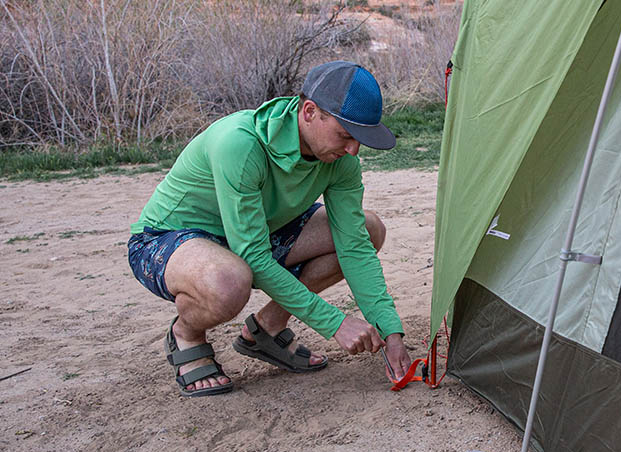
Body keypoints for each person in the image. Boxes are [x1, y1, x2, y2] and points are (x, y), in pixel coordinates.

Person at [128, 60, 413, 397]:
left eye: (361, 139)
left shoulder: (341, 160)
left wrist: (390, 331)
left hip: (255, 233)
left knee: (368, 229)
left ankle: (266, 330)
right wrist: (335, 323)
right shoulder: (239, 142)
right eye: (346, 135)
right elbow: (252, 255)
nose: (353, 150)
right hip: (168, 240)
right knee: (228, 281)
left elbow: (354, 245)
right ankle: (187, 334)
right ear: (309, 112)